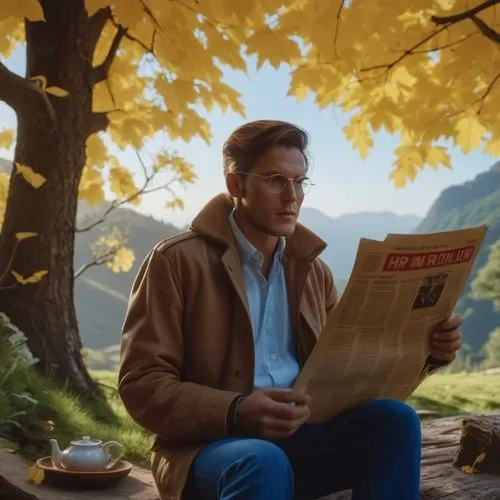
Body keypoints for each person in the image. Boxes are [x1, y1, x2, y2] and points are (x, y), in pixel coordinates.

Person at [118, 120, 463, 500]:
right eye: (275, 180)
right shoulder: (175, 261)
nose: (292, 196)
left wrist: (426, 353)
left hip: (306, 436)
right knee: (262, 459)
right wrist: (237, 409)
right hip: (209, 448)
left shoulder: (314, 271)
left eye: (299, 182)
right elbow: (142, 385)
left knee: (395, 421)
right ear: (236, 185)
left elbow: (349, 368)